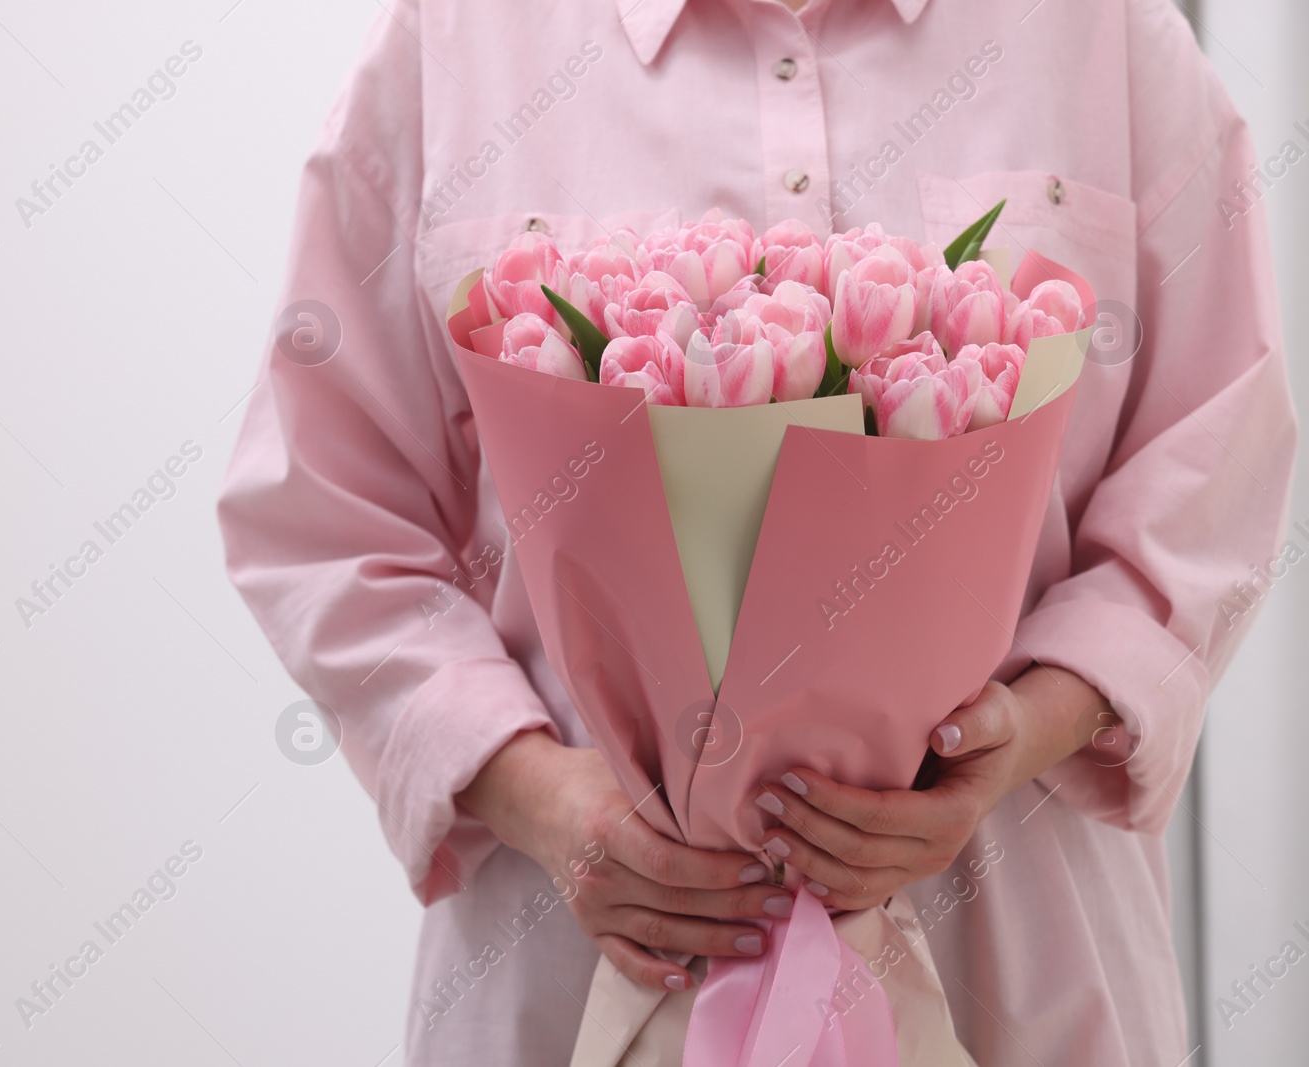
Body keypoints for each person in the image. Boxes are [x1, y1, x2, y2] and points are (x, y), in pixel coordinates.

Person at [218, 1, 1298, 1064]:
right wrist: (534, 790)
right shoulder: (451, 40)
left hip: (1017, 960)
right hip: (569, 970)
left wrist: (1033, 724)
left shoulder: (1100, 28)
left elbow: (1216, 447)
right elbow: (321, 510)